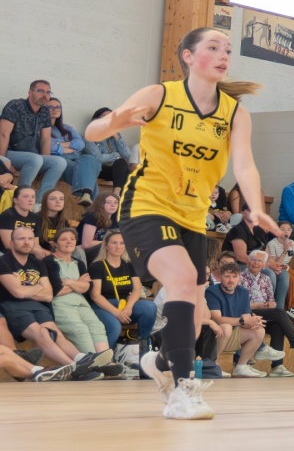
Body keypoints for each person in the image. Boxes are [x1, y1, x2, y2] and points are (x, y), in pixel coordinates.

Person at [89, 25, 278, 419]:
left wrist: (255, 205)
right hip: (146, 205)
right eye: (214, 47)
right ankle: (181, 390)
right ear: (189, 56)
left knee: (194, 306)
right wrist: (114, 121)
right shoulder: (159, 95)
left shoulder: (234, 113)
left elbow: (244, 164)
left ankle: (160, 362)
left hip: (193, 216)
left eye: (228, 50)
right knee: (180, 278)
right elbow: (92, 131)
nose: (224, 55)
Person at [0, 224, 98, 377]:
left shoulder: (38, 263)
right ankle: (74, 368)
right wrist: (38, 286)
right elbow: (18, 293)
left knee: (56, 333)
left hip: (40, 306)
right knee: (41, 332)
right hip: (14, 307)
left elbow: (48, 294)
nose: (26, 242)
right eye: (21, 239)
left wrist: (25, 288)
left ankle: (80, 358)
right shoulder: (4, 262)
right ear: (11, 243)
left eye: (30, 239)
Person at [244, 247, 294, 374]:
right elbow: (240, 304)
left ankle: (277, 367)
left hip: (263, 313)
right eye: (253, 260)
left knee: (277, 326)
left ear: (265, 265)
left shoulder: (266, 279)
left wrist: (269, 305)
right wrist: (261, 305)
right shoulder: (240, 277)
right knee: (280, 312)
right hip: (247, 313)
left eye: (260, 261)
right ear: (248, 261)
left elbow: (271, 301)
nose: (256, 263)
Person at [89, 230, 157, 350]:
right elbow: (95, 295)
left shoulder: (129, 265)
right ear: (106, 245)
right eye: (114, 243)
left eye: (122, 243)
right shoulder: (97, 266)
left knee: (149, 307)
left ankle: (143, 346)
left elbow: (137, 289)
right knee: (115, 327)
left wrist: (128, 308)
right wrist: (117, 313)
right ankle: (106, 356)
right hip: (103, 306)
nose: (118, 246)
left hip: (124, 304)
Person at [204, 258, 269, 378]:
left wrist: (253, 322)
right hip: (213, 335)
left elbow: (246, 318)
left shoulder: (243, 292)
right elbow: (217, 318)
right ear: (220, 277)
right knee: (226, 327)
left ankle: (241, 367)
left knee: (259, 330)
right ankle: (212, 365)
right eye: (227, 276)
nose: (231, 280)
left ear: (239, 278)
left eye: (234, 276)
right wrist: (242, 320)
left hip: (231, 335)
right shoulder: (212, 291)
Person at [1, 79, 67, 194]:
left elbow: (45, 139)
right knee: (35, 159)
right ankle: (21, 195)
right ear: (30, 93)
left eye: (48, 92)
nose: (45, 95)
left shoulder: (44, 111)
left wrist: (44, 164)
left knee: (59, 162)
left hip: (31, 155)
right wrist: (2, 162)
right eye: (40, 91)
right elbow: (3, 134)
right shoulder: (15, 105)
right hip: (9, 152)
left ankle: (41, 200)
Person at [49, 227, 107, 353]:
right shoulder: (49, 261)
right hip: (61, 304)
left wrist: (68, 282)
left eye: (72, 239)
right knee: (80, 330)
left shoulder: (79, 263)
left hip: (81, 302)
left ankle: (105, 360)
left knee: (97, 326)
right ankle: (92, 361)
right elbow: (57, 291)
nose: (69, 242)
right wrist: (79, 283)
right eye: (63, 239)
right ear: (55, 244)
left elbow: (88, 287)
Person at [43, 99, 96, 202]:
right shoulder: (41, 128)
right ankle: (92, 205)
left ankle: (87, 197)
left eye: (58, 107)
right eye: (50, 107)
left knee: (90, 159)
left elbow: (81, 144)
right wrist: (72, 150)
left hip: (76, 159)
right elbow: (49, 148)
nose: (55, 109)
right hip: (60, 160)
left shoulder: (67, 128)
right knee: (89, 178)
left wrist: (59, 144)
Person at [82, 109, 136, 193]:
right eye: (104, 116)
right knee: (124, 169)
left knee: (122, 164)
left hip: (117, 169)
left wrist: (116, 137)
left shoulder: (115, 135)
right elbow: (99, 158)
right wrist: (116, 155)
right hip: (100, 169)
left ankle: (116, 194)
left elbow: (127, 155)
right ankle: (117, 195)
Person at [78, 190, 120, 254]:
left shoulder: (116, 218)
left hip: (105, 250)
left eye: (116, 202)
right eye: (108, 202)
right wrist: (111, 242)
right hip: (85, 252)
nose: (113, 205)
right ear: (100, 204)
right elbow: (86, 244)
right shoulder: (92, 216)